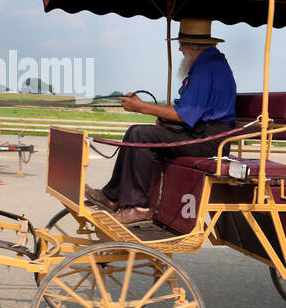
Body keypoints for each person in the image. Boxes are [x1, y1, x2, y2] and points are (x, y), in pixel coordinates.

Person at [88, 19, 237, 225]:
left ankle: (139, 207)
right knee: (137, 132)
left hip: (211, 140)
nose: (179, 49)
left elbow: (185, 114)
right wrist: (164, 120)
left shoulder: (206, 69)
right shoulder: (209, 65)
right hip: (202, 133)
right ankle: (113, 196)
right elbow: (194, 113)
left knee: (140, 135)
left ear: (193, 46)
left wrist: (142, 107)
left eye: (182, 44)